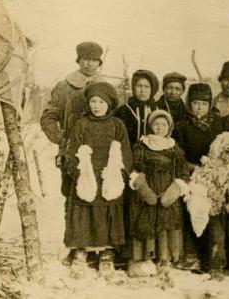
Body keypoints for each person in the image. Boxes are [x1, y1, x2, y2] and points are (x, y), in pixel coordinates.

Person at [63, 82, 133, 279]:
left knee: (108, 211)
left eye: (101, 102)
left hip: (108, 176)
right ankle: (81, 251)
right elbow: (72, 151)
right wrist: (76, 172)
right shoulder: (82, 124)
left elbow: (126, 152)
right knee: (84, 211)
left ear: (109, 104)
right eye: (93, 101)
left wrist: (119, 173)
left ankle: (106, 253)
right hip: (87, 175)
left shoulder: (117, 125)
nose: (96, 106)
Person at [127, 110, 190, 277]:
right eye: (156, 124)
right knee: (145, 221)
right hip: (147, 189)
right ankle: (143, 258)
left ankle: (164, 259)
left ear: (169, 127)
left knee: (166, 223)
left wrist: (176, 188)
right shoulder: (141, 145)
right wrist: (140, 185)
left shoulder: (174, 148)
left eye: (164, 124)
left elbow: (183, 172)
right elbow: (134, 168)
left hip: (166, 190)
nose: (159, 127)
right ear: (150, 126)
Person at [172, 83, 227, 271]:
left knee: (213, 216)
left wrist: (214, 168)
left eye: (204, 103)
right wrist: (191, 167)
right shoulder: (181, 125)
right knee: (191, 213)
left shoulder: (218, 124)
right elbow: (177, 153)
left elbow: (226, 148)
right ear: (189, 103)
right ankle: (191, 255)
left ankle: (213, 260)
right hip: (190, 174)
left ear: (210, 104)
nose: (199, 107)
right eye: (195, 103)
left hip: (213, 176)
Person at [185, 132, 229, 280]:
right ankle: (215, 266)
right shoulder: (207, 169)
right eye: (225, 153)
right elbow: (199, 187)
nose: (227, 157)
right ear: (218, 151)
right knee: (217, 237)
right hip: (214, 210)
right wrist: (203, 205)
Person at [40, 41, 104, 199]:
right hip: (71, 154)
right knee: (72, 199)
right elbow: (48, 117)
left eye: (94, 59)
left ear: (99, 62)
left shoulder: (106, 88)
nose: (89, 63)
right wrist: (62, 139)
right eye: (85, 58)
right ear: (79, 60)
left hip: (100, 154)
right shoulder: (64, 87)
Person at [115, 69, 159, 145]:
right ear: (133, 87)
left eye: (147, 87)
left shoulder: (157, 111)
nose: (142, 90)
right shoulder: (123, 110)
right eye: (139, 86)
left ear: (152, 89)